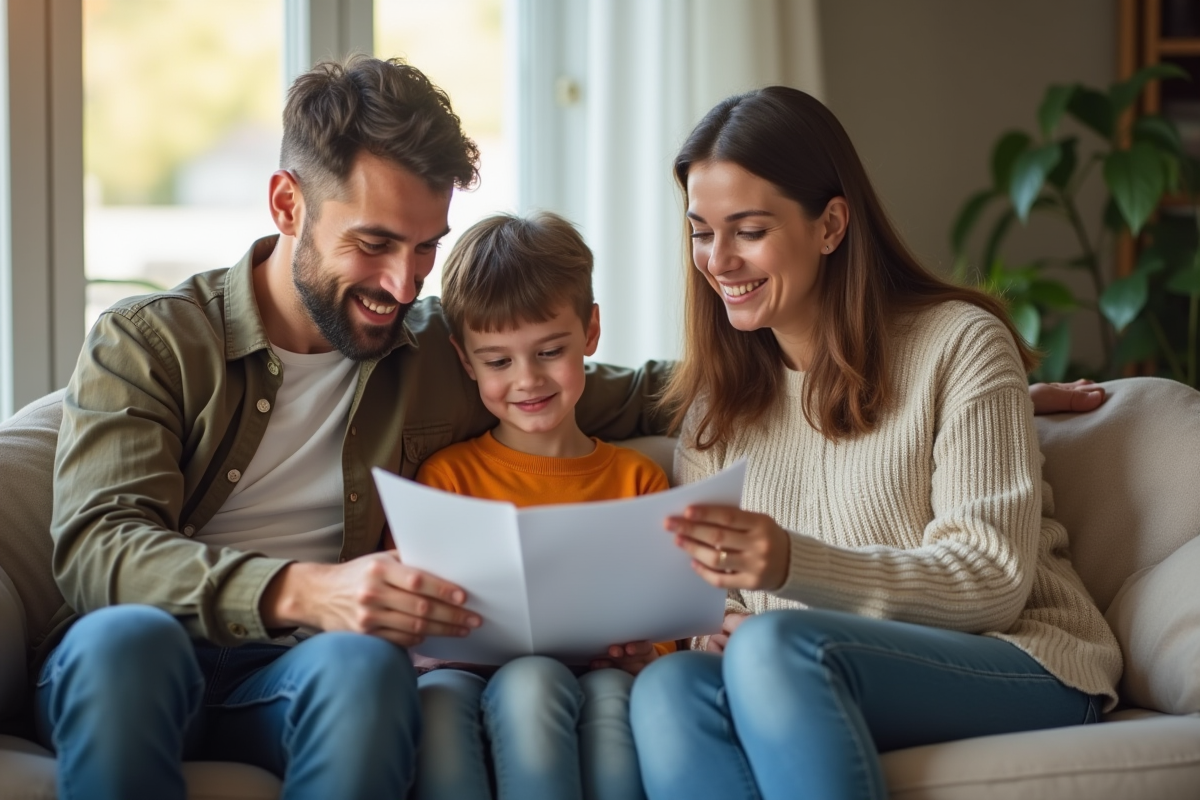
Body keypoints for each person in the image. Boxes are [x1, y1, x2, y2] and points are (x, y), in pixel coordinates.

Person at [42, 57, 669, 800]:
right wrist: (306, 591)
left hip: (297, 675)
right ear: (287, 204)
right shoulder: (150, 341)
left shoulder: (448, 353)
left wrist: (815, 366)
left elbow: (644, 394)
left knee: (362, 665)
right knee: (127, 641)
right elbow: (97, 546)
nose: (404, 284)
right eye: (374, 244)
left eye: (427, 246)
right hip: (142, 660)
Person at [627, 86, 1123, 800]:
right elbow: (735, 603)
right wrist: (720, 628)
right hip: (814, 666)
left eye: (749, 230)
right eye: (702, 231)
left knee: (774, 649)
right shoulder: (719, 409)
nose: (719, 260)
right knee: (670, 687)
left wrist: (790, 566)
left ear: (830, 225)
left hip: (1022, 659)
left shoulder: (960, 345)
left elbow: (992, 581)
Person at [407, 211, 670, 800]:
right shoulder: (447, 477)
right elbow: (414, 615)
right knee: (442, 707)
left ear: (591, 332)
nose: (527, 379)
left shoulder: (638, 481)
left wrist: (645, 651)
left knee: (606, 700)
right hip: (461, 678)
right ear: (465, 359)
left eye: (550, 351)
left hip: (599, 678)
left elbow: (668, 624)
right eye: (498, 361)